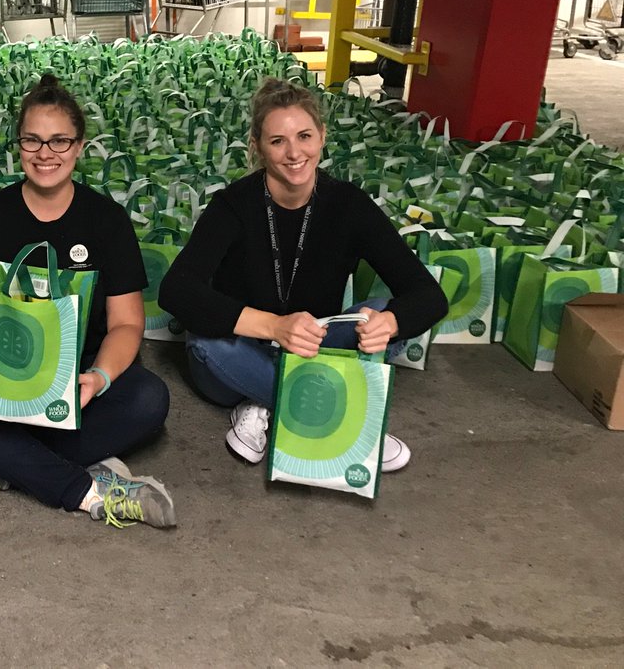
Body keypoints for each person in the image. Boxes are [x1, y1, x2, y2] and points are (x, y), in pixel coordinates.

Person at [0, 74, 176, 529]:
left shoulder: (107, 221)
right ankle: (89, 491)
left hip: (79, 388)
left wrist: (98, 378)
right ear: (18, 146)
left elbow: (126, 324)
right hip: (3, 385)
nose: (46, 153)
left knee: (148, 400)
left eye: (60, 141)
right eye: (33, 140)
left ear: (80, 146)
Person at [158, 77, 447, 472]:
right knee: (207, 345)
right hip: (243, 348)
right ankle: (348, 420)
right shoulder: (233, 206)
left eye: (305, 136)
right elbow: (177, 290)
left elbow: (429, 296)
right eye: (277, 141)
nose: (294, 153)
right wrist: (275, 327)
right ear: (258, 147)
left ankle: (264, 401)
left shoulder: (348, 205)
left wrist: (391, 322)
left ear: (322, 137)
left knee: (377, 312)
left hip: (316, 342)